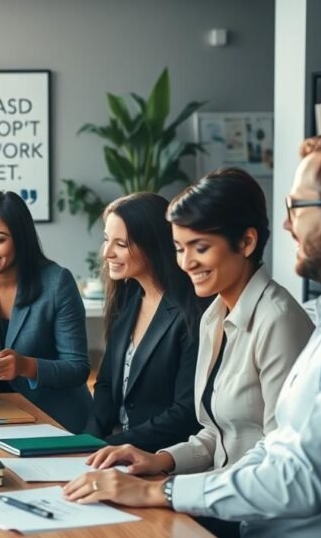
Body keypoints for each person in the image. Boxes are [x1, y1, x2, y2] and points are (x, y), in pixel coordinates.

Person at [65, 133, 321, 538]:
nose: (286, 224)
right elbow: (266, 444)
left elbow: (299, 479)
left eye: (295, 207)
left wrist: (164, 491)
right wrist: (163, 464)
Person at [0, 191, 92, 432]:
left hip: (58, 420)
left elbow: (77, 368)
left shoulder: (57, 282)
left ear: (20, 239)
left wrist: (26, 366)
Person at [84, 193, 203, 452]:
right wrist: (87, 444)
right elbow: (105, 385)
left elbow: (185, 413)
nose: (107, 253)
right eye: (106, 240)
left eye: (121, 244)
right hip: (113, 452)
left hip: (163, 459)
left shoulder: (191, 311)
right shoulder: (127, 297)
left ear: (153, 245)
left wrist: (110, 446)